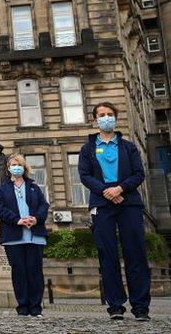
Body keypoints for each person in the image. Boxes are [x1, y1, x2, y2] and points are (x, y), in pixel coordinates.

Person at [79, 102, 151, 321]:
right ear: (95, 120)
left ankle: (140, 308)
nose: (106, 117)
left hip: (128, 203)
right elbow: (85, 175)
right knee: (107, 254)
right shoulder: (88, 148)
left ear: (116, 118)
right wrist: (106, 191)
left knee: (135, 253)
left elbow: (139, 173)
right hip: (102, 205)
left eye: (110, 114)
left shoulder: (128, 146)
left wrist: (120, 188)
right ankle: (116, 306)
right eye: (102, 115)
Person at [0, 154, 49, 318]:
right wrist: (17, 220)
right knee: (19, 272)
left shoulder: (33, 186)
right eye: (13, 164)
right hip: (14, 237)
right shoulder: (2, 188)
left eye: (19, 164)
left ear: (24, 168)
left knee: (35, 272)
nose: (16, 167)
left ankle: (36, 308)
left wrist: (36, 218)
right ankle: (23, 307)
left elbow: (43, 206)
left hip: (35, 235)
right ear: (8, 168)